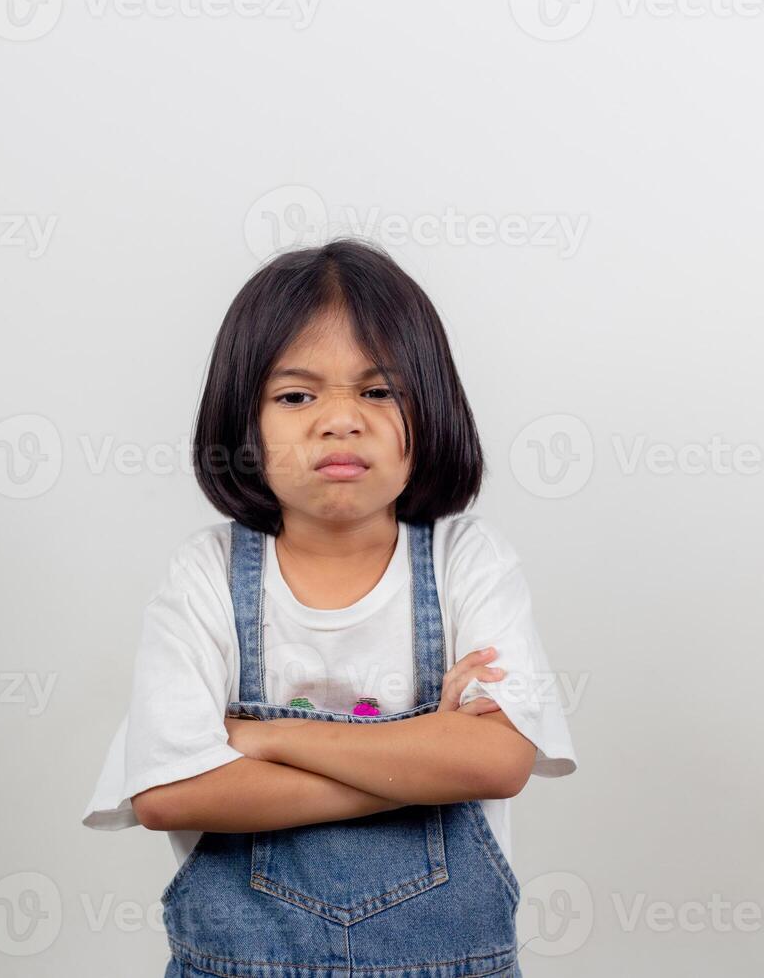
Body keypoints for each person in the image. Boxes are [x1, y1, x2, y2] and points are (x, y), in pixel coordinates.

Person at [81, 238, 578, 976]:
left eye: (379, 392)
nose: (340, 420)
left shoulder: (466, 562)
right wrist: (421, 759)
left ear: (432, 410)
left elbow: (497, 759)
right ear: (242, 426)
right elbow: (170, 792)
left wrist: (262, 740)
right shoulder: (206, 576)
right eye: (296, 395)